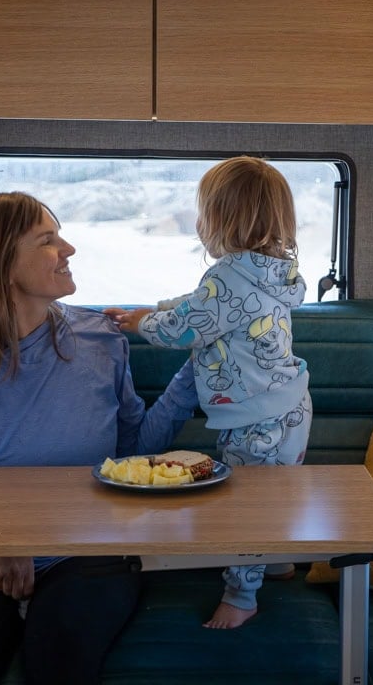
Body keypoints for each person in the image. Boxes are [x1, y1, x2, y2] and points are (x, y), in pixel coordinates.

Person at [0, 192, 199, 685]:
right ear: (1, 265)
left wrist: (197, 369)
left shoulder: (102, 339)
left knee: (60, 664)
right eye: (48, 240)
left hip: (87, 550)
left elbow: (135, 452)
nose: (69, 249)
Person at [104, 156, 312, 630]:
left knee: (247, 506)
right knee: (270, 496)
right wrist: (158, 305)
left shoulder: (228, 276)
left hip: (257, 417)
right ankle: (276, 561)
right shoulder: (270, 271)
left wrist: (143, 323)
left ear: (217, 220)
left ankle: (242, 596)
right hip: (289, 406)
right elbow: (203, 304)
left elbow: (184, 328)